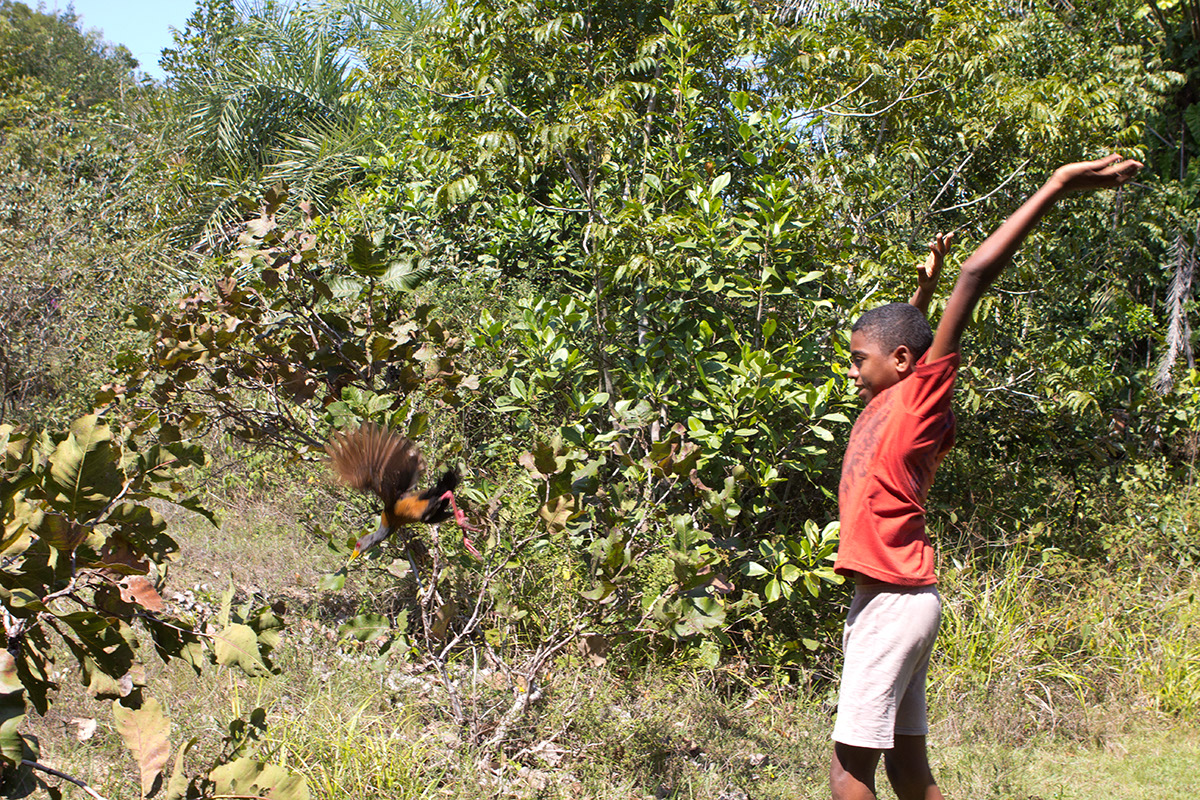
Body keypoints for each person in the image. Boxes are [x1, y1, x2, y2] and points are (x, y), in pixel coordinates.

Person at [828, 154, 1142, 800]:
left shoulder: (915, 407)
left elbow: (976, 274)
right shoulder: (890, 402)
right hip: (898, 597)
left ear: (904, 362)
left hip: (891, 598)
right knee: (908, 771)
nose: (852, 374)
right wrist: (919, 292)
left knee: (848, 772)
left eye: (859, 361)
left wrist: (1055, 186)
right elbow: (900, 347)